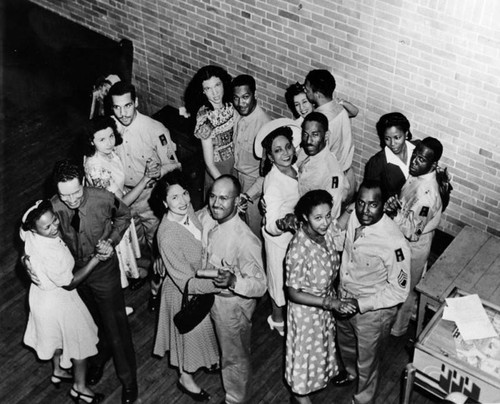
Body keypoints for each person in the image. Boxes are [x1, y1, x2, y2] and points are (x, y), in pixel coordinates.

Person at [50, 160, 138, 404]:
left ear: (84, 184)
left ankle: (129, 382)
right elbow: (33, 227)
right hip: (75, 275)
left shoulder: (103, 198)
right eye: (64, 195)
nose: (72, 200)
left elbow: (124, 215)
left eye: (76, 192)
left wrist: (111, 240)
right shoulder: (54, 207)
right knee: (91, 323)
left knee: (117, 328)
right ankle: (100, 357)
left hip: (103, 272)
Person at [336, 180, 411, 404]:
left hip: (372, 311)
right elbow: (346, 247)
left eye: (372, 205)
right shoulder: (354, 219)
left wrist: (360, 305)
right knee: (346, 344)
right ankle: (350, 373)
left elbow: (399, 292)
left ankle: (363, 399)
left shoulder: (394, 243)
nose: (365, 210)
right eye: (361, 203)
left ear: (383, 205)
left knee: (367, 360)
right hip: (344, 298)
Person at [21, 200, 104, 404]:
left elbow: (22, 232)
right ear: (34, 228)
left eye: (54, 220)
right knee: (79, 344)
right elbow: (70, 283)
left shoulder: (29, 234)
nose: (54, 227)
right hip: (59, 302)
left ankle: (58, 370)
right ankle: (80, 388)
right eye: (47, 227)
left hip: (40, 298)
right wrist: (96, 259)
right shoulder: (51, 254)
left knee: (55, 337)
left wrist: (24, 260)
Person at [198, 175, 267, 404]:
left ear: (237, 201)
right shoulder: (210, 216)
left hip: (232, 307)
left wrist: (234, 281)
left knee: (235, 357)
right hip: (213, 300)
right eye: (213, 196)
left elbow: (260, 285)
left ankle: (235, 399)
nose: (216, 203)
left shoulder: (245, 240)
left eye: (224, 198)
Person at [109, 81, 180, 302]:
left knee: (156, 239)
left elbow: (176, 164)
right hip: (125, 196)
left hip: (149, 195)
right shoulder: (111, 129)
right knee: (134, 240)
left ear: (136, 102)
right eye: (117, 107)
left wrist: (158, 171)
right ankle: (141, 271)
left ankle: (160, 285)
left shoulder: (154, 129)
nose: (123, 113)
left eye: (127, 106)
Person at [152, 170, 219, 402]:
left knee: (204, 331)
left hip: (201, 282)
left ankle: (207, 360)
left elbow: (197, 228)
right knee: (189, 337)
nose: (182, 201)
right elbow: (186, 283)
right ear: (164, 203)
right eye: (174, 197)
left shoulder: (187, 210)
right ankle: (185, 378)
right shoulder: (167, 236)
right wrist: (218, 285)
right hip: (184, 292)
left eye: (184, 193)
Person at [285, 190, 356, 404]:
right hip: (306, 312)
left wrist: (354, 205)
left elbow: (338, 224)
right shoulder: (298, 249)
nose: (325, 222)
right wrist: (329, 302)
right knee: (304, 356)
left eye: (328, 215)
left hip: (324, 309)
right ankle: (299, 395)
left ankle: (310, 387)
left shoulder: (324, 232)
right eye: (318, 218)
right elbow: (292, 292)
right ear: (305, 218)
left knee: (318, 352)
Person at [385, 137, 452, 337]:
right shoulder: (418, 174)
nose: (414, 161)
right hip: (399, 238)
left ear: (433, 164)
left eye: (421, 159)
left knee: (405, 288)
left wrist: (395, 214)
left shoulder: (428, 195)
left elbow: (413, 232)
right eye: (415, 154)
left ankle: (396, 330)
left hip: (412, 247)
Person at [83, 116, 156, 292]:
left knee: (127, 244)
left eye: (111, 136)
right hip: (109, 216)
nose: (109, 143)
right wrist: (146, 179)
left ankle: (133, 269)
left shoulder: (108, 152)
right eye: (102, 139)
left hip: (115, 209)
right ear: (91, 142)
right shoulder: (96, 167)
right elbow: (120, 204)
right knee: (119, 247)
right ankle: (129, 278)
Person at [253, 118, 302, 335]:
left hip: (294, 237)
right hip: (278, 240)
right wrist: (284, 223)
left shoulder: (294, 168)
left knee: (291, 278)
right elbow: (271, 225)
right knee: (278, 280)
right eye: (278, 150)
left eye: (288, 147)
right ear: (270, 157)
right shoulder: (272, 183)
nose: (285, 153)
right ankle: (276, 318)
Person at [304, 69, 357, 201]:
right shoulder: (340, 109)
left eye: (307, 90)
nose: (305, 92)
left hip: (331, 182)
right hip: (349, 176)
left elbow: (314, 156)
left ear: (317, 94)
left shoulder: (320, 122)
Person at [185, 65, 235, 197]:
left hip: (236, 162)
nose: (215, 93)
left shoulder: (231, 105)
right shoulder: (205, 117)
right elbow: (209, 164)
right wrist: (224, 184)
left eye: (217, 85)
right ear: (202, 92)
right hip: (219, 168)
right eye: (208, 89)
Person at [232, 74, 271, 236]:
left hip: (253, 185)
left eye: (245, 97)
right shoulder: (237, 113)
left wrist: (249, 195)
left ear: (255, 95)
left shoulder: (265, 126)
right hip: (236, 175)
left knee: (252, 230)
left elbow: (267, 173)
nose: (240, 103)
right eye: (236, 98)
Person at [296, 112, 345, 219]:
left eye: (315, 135)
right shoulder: (303, 151)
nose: (308, 140)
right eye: (305, 134)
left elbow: (331, 215)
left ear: (326, 135)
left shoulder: (332, 173)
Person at [364, 112, 416, 200]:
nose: (392, 144)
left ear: (406, 134)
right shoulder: (377, 162)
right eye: (387, 139)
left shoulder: (418, 149)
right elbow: (370, 195)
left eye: (397, 138)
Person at [285, 81, 358, 125]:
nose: (301, 108)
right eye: (297, 104)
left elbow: (354, 112)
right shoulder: (298, 125)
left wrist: (340, 102)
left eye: (304, 102)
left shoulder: (325, 111)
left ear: (311, 100)